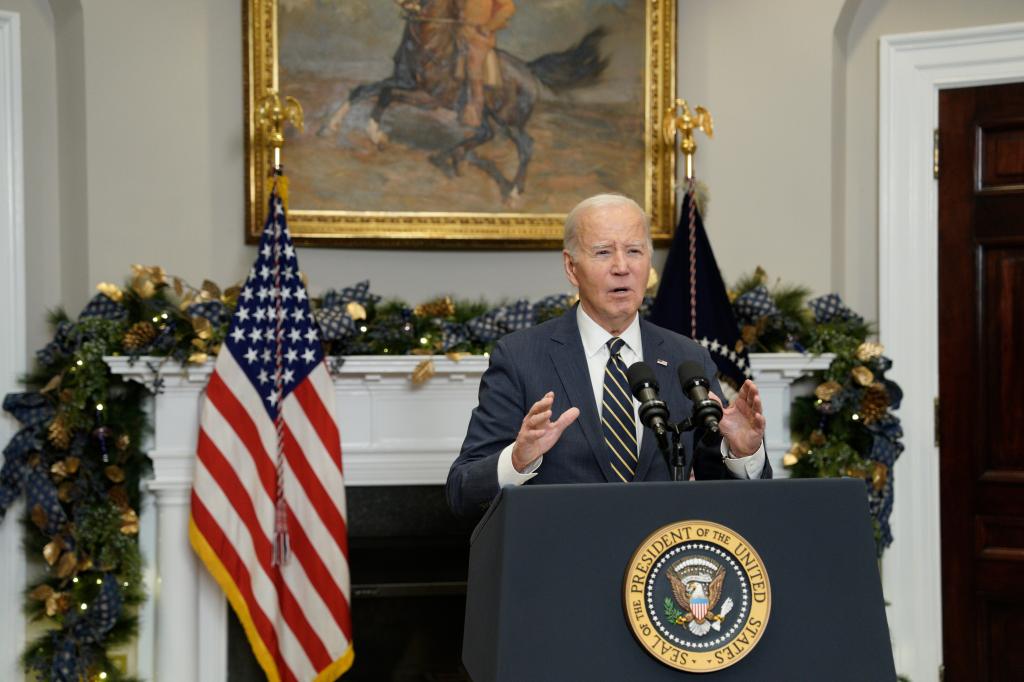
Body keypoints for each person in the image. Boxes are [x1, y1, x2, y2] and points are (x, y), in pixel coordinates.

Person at [445, 194, 771, 519]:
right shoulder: (521, 357)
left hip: (661, 561)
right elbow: (462, 491)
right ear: (571, 268)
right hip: (563, 560)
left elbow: (729, 499)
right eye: (603, 252)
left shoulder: (688, 359)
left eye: (634, 251)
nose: (621, 267)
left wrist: (744, 452)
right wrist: (517, 459)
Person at [457, 0, 516, 127]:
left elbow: (508, 7)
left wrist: (488, 27)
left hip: (479, 36)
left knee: (473, 67)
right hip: (461, 33)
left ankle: (475, 114)